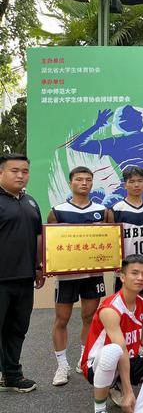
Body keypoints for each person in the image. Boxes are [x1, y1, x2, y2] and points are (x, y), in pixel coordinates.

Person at [48, 166, 109, 387]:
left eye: (88, 180)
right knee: (62, 319)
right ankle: (61, 365)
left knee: (89, 317)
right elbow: (49, 242)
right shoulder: (57, 211)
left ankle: (85, 359)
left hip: (93, 274)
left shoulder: (103, 211)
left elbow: (110, 240)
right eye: (79, 179)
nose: (84, 183)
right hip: (67, 276)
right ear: (70, 182)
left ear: (92, 183)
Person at [81, 254, 143, 413]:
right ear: (122, 276)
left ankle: (117, 384)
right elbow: (121, 350)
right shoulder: (111, 309)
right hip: (97, 364)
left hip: (128, 358)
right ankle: (100, 409)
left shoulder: (142, 303)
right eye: (134, 273)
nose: (140, 278)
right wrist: (129, 392)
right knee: (113, 351)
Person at [0, 154, 44, 393]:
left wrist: (38, 267)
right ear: (1, 172)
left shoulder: (31, 202)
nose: (20, 175)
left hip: (25, 278)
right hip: (1, 279)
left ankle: (12, 375)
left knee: (18, 329)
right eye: (14, 170)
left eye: (25, 171)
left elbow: (38, 237)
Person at [107, 167, 143, 302]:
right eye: (132, 182)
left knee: (142, 303)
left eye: (140, 181)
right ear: (125, 185)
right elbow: (111, 242)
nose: (136, 185)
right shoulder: (116, 210)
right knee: (122, 303)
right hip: (125, 266)